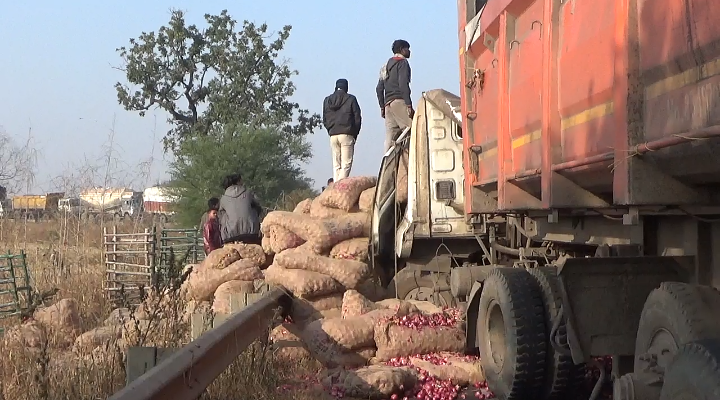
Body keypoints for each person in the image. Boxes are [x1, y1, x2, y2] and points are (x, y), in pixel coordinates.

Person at [376, 39, 414, 152]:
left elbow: (379, 89)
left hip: (388, 104)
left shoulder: (385, 66)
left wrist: (382, 106)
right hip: (399, 101)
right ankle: (413, 161)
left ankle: (387, 166)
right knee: (415, 129)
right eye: (407, 48)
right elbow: (403, 84)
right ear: (402, 49)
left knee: (390, 137)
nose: (409, 51)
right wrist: (408, 104)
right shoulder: (402, 63)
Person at [323, 78, 362, 182]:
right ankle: (339, 188)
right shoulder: (351, 99)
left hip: (333, 135)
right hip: (347, 134)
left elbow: (324, 119)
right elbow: (357, 118)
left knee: (336, 165)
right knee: (346, 164)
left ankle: (336, 185)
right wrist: (354, 134)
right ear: (346, 87)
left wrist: (331, 130)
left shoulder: (327, 100)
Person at [218, 173, 262, 245]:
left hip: (230, 235)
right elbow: (258, 207)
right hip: (251, 233)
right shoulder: (248, 194)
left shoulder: (223, 199)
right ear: (238, 182)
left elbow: (220, 217)